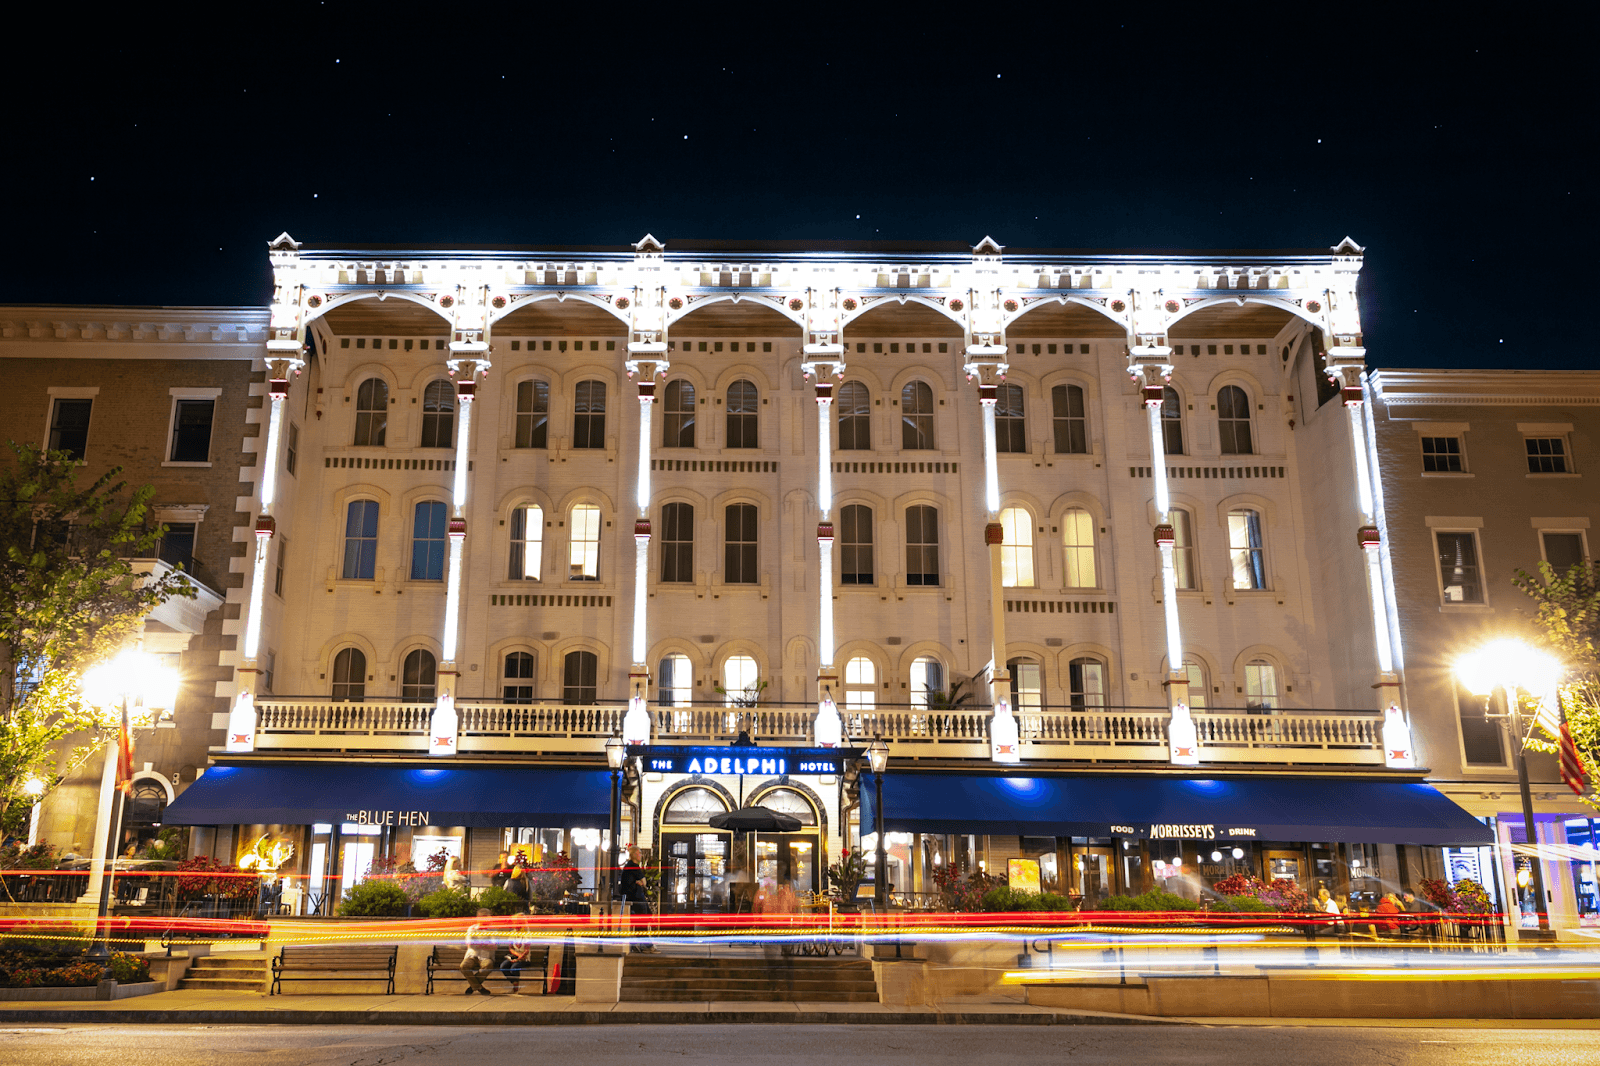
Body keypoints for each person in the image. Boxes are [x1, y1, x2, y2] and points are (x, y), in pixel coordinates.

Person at [619, 846, 656, 953]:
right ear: (634, 854)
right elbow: (644, 882)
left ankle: (641, 944)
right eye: (639, 853)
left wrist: (639, 882)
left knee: (643, 920)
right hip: (636, 898)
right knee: (642, 922)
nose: (641, 855)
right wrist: (640, 883)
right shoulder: (634, 867)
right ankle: (647, 946)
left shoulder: (628, 867)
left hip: (635, 898)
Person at [459, 908, 496, 995]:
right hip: (472, 955)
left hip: (486, 956)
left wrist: (478, 943)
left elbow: (494, 946)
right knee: (463, 966)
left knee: (488, 965)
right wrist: (486, 944)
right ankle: (479, 987)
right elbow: (469, 943)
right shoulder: (472, 929)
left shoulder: (493, 930)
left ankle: (473, 986)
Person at [499, 919, 536, 994]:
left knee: (514, 968)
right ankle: (515, 983)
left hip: (524, 958)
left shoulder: (526, 934)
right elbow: (511, 948)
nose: (515, 926)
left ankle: (515, 988)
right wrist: (516, 956)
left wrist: (519, 958)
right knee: (503, 966)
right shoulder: (512, 933)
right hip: (515, 956)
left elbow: (526, 950)